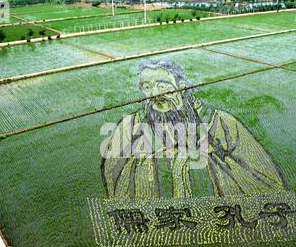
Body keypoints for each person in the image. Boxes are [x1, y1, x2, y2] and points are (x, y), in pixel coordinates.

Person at [101, 59, 286, 199]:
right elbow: (113, 171)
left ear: (181, 86)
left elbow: (260, 173)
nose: (154, 94)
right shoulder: (130, 126)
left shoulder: (219, 122)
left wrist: (197, 162)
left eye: (162, 85)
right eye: (146, 87)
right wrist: (151, 164)